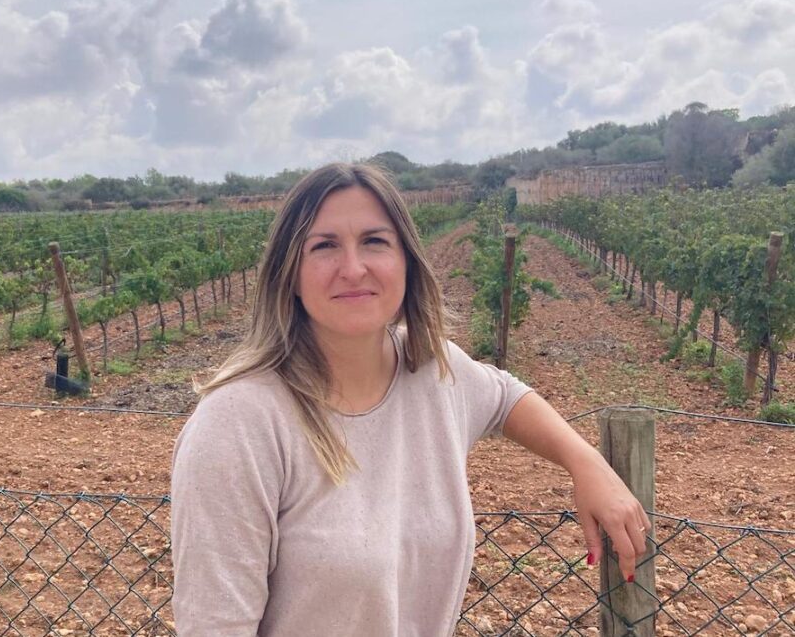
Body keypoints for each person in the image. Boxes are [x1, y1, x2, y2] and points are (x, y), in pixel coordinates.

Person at [170, 163, 649, 636]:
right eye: (324, 246)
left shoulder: (433, 371)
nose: (353, 268)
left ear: (406, 263)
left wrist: (587, 464)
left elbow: (505, 396)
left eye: (375, 242)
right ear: (289, 272)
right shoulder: (240, 422)